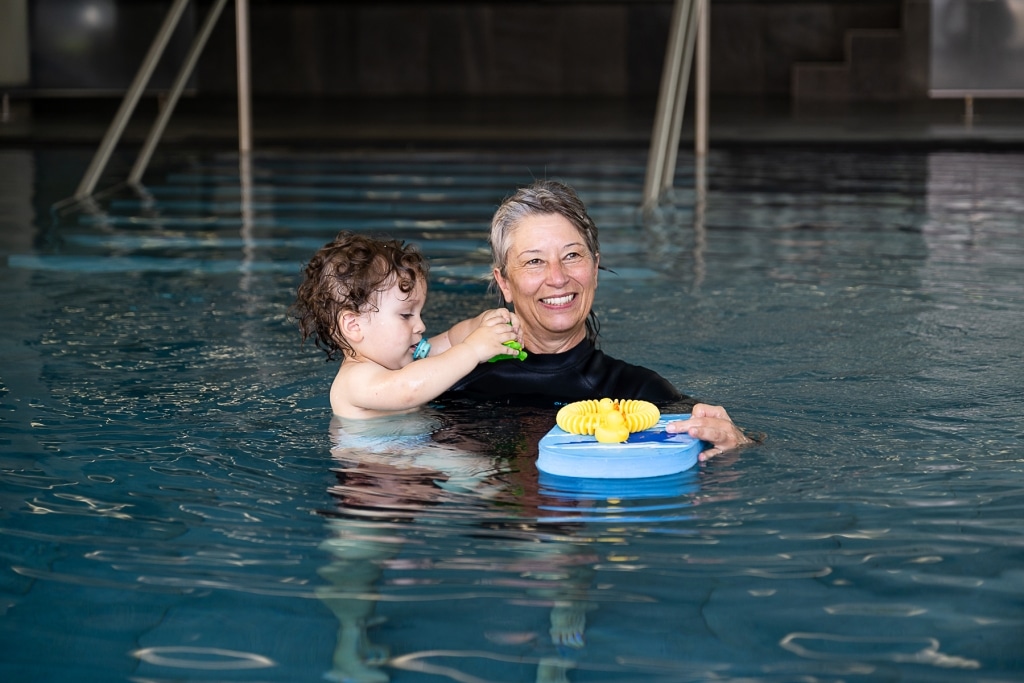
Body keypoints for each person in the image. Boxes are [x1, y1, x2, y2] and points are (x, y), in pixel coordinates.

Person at [444, 179, 752, 460]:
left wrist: (736, 444)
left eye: (572, 256)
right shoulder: (453, 378)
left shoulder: (640, 393)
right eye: (534, 261)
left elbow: (727, 445)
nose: (557, 278)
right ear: (505, 283)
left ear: (594, 270)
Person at [292, 231, 522, 419]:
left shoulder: (404, 361)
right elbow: (409, 390)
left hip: (414, 458)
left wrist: (483, 325)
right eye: (405, 315)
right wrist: (473, 350)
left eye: (418, 313)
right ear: (354, 325)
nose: (420, 326)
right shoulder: (354, 381)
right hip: (374, 472)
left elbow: (452, 340)